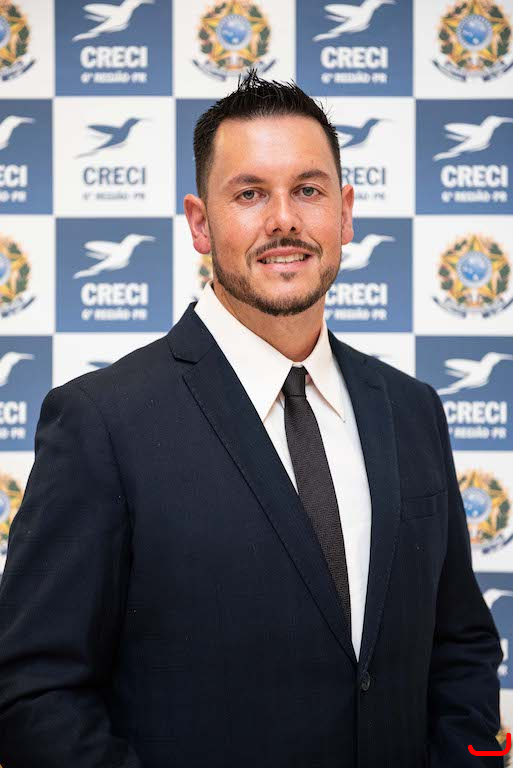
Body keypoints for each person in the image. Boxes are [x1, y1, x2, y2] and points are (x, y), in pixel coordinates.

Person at [0, 70, 504, 768]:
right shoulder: (101, 422)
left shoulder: (411, 409)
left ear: (345, 213)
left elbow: (460, 648)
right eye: (249, 194)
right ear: (200, 224)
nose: (284, 220)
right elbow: (35, 692)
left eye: (308, 190)